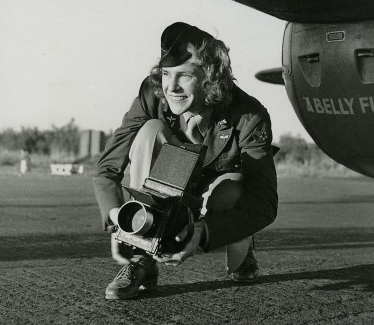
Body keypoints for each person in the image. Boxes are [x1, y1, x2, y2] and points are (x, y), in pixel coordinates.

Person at [93, 22, 278, 300]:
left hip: (218, 192)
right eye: (166, 74)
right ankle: (144, 257)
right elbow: (109, 167)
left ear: (210, 77)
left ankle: (243, 246)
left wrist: (202, 233)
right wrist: (118, 216)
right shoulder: (152, 93)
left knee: (234, 190)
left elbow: (264, 202)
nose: (171, 87)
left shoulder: (248, 115)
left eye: (185, 76)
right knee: (149, 132)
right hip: (170, 176)